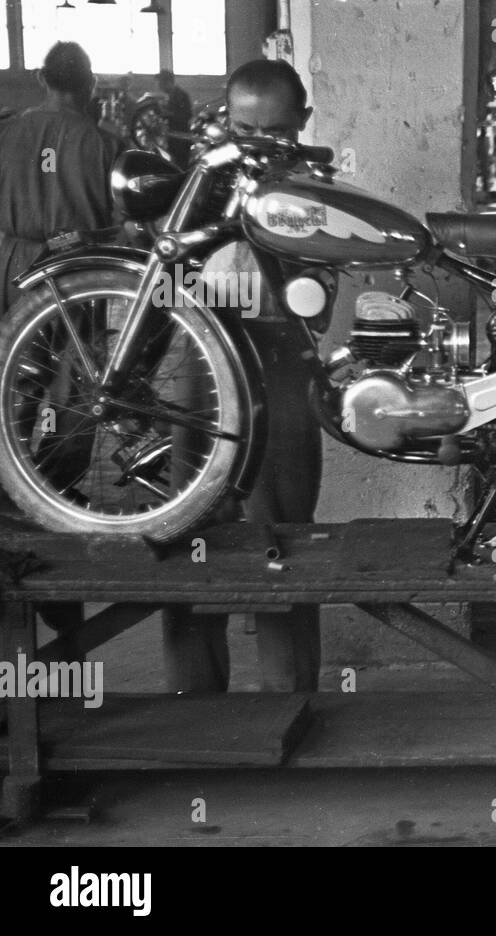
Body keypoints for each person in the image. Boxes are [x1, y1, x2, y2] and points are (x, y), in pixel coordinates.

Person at [162, 59, 323, 693]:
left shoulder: (313, 200)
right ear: (224, 121)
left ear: (303, 122)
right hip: (196, 387)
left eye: (274, 131)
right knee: (187, 544)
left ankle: (291, 703)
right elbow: (165, 284)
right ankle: (193, 703)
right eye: (243, 127)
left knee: (279, 550)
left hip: (278, 387)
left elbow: (314, 304)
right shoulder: (199, 186)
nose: (256, 145)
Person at [0, 42, 123, 315]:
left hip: (10, 270)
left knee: (11, 351)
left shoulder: (6, 133)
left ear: (41, 78)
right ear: (91, 84)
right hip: (77, 275)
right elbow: (125, 224)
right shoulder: (109, 147)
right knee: (75, 355)